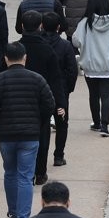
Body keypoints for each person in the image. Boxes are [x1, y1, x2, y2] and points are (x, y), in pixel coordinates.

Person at [0, 42, 56, 218]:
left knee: (10, 173)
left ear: (5, 59)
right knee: (26, 176)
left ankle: (13, 211)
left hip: (7, 135)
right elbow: (49, 104)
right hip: (30, 134)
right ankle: (24, 217)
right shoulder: (37, 79)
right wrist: (39, 122)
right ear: (25, 57)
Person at [17, 11, 65, 186]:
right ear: (40, 26)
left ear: (22, 26)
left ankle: (24, 170)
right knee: (42, 137)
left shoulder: (16, 49)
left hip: (18, 98)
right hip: (41, 99)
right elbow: (56, 78)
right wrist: (60, 103)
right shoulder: (47, 49)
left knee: (20, 136)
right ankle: (40, 172)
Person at [73, 0, 109, 137]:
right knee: (106, 96)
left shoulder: (85, 23)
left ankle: (96, 122)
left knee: (93, 95)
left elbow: (76, 41)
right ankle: (105, 126)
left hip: (91, 65)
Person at [41, 12, 76, 167]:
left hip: (40, 89)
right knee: (62, 123)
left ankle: (41, 154)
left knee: (42, 124)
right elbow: (72, 70)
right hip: (60, 90)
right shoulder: (65, 45)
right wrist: (68, 88)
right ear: (59, 27)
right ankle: (58, 155)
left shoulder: (38, 44)